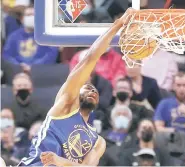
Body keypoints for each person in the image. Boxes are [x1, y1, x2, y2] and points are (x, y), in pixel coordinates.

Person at [18, 8, 134, 166]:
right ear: (75, 92)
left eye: (94, 90)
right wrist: (119, 23)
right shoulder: (65, 104)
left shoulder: (98, 141)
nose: (92, 90)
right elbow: (90, 58)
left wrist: (60, 161)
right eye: (87, 88)